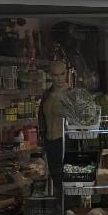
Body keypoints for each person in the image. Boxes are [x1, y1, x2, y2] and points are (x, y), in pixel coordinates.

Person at [38, 60, 70, 192]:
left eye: (62, 74)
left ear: (66, 73)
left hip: (65, 143)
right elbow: (41, 119)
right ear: (51, 75)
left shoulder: (71, 94)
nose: (59, 78)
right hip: (49, 142)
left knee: (67, 183)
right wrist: (42, 143)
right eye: (56, 75)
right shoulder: (47, 95)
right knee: (56, 181)